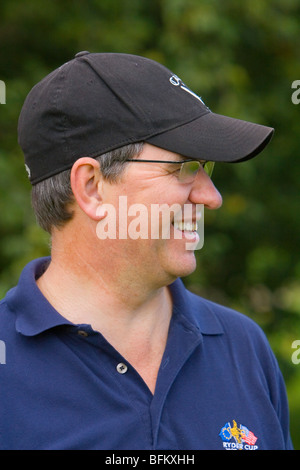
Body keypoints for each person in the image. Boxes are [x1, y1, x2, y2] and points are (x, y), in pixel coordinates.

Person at [0, 51, 293, 450]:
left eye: (206, 169)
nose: (212, 197)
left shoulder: (243, 348)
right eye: (185, 167)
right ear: (91, 186)